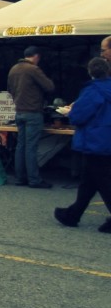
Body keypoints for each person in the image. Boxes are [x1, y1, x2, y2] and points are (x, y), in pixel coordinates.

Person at [54, 57, 111, 232]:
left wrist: (70, 111)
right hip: (106, 138)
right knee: (89, 181)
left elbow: (79, 116)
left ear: (90, 71)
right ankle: (73, 214)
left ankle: (73, 214)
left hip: (95, 140)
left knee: (103, 181)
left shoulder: (93, 91)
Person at [7, 45, 55, 188]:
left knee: (20, 145)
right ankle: (34, 179)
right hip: (33, 112)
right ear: (36, 56)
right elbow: (49, 86)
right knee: (31, 147)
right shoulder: (33, 69)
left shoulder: (13, 69)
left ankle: (20, 178)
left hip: (19, 111)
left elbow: (9, 89)